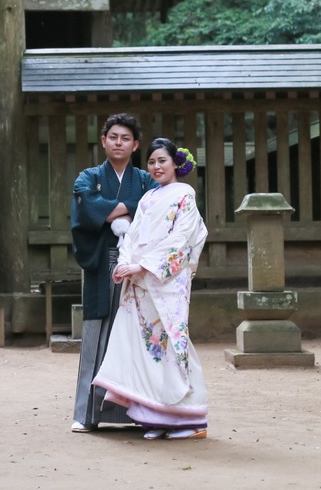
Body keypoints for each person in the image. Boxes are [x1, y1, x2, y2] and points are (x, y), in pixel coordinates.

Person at [92, 138, 209, 440]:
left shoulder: (185, 194)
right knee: (145, 349)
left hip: (165, 281)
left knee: (171, 342)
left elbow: (181, 240)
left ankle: (192, 420)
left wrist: (143, 266)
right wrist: (126, 262)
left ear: (175, 164)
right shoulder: (147, 199)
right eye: (152, 162)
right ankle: (158, 416)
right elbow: (132, 236)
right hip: (141, 281)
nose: (156, 167)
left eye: (162, 161)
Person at [70, 113, 157, 433]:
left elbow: (152, 209)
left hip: (137, 264)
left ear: (135, 145)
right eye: (113, 137)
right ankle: (86, 414)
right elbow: (88, 210)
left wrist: (111, 207)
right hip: (102, 261)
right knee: (97, 334)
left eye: (126, 139)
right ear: (104, 141)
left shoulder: (147, 179)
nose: (119, 143)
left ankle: (139, 414)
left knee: (136, 335)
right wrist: (129, 205)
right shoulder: (87, 177)